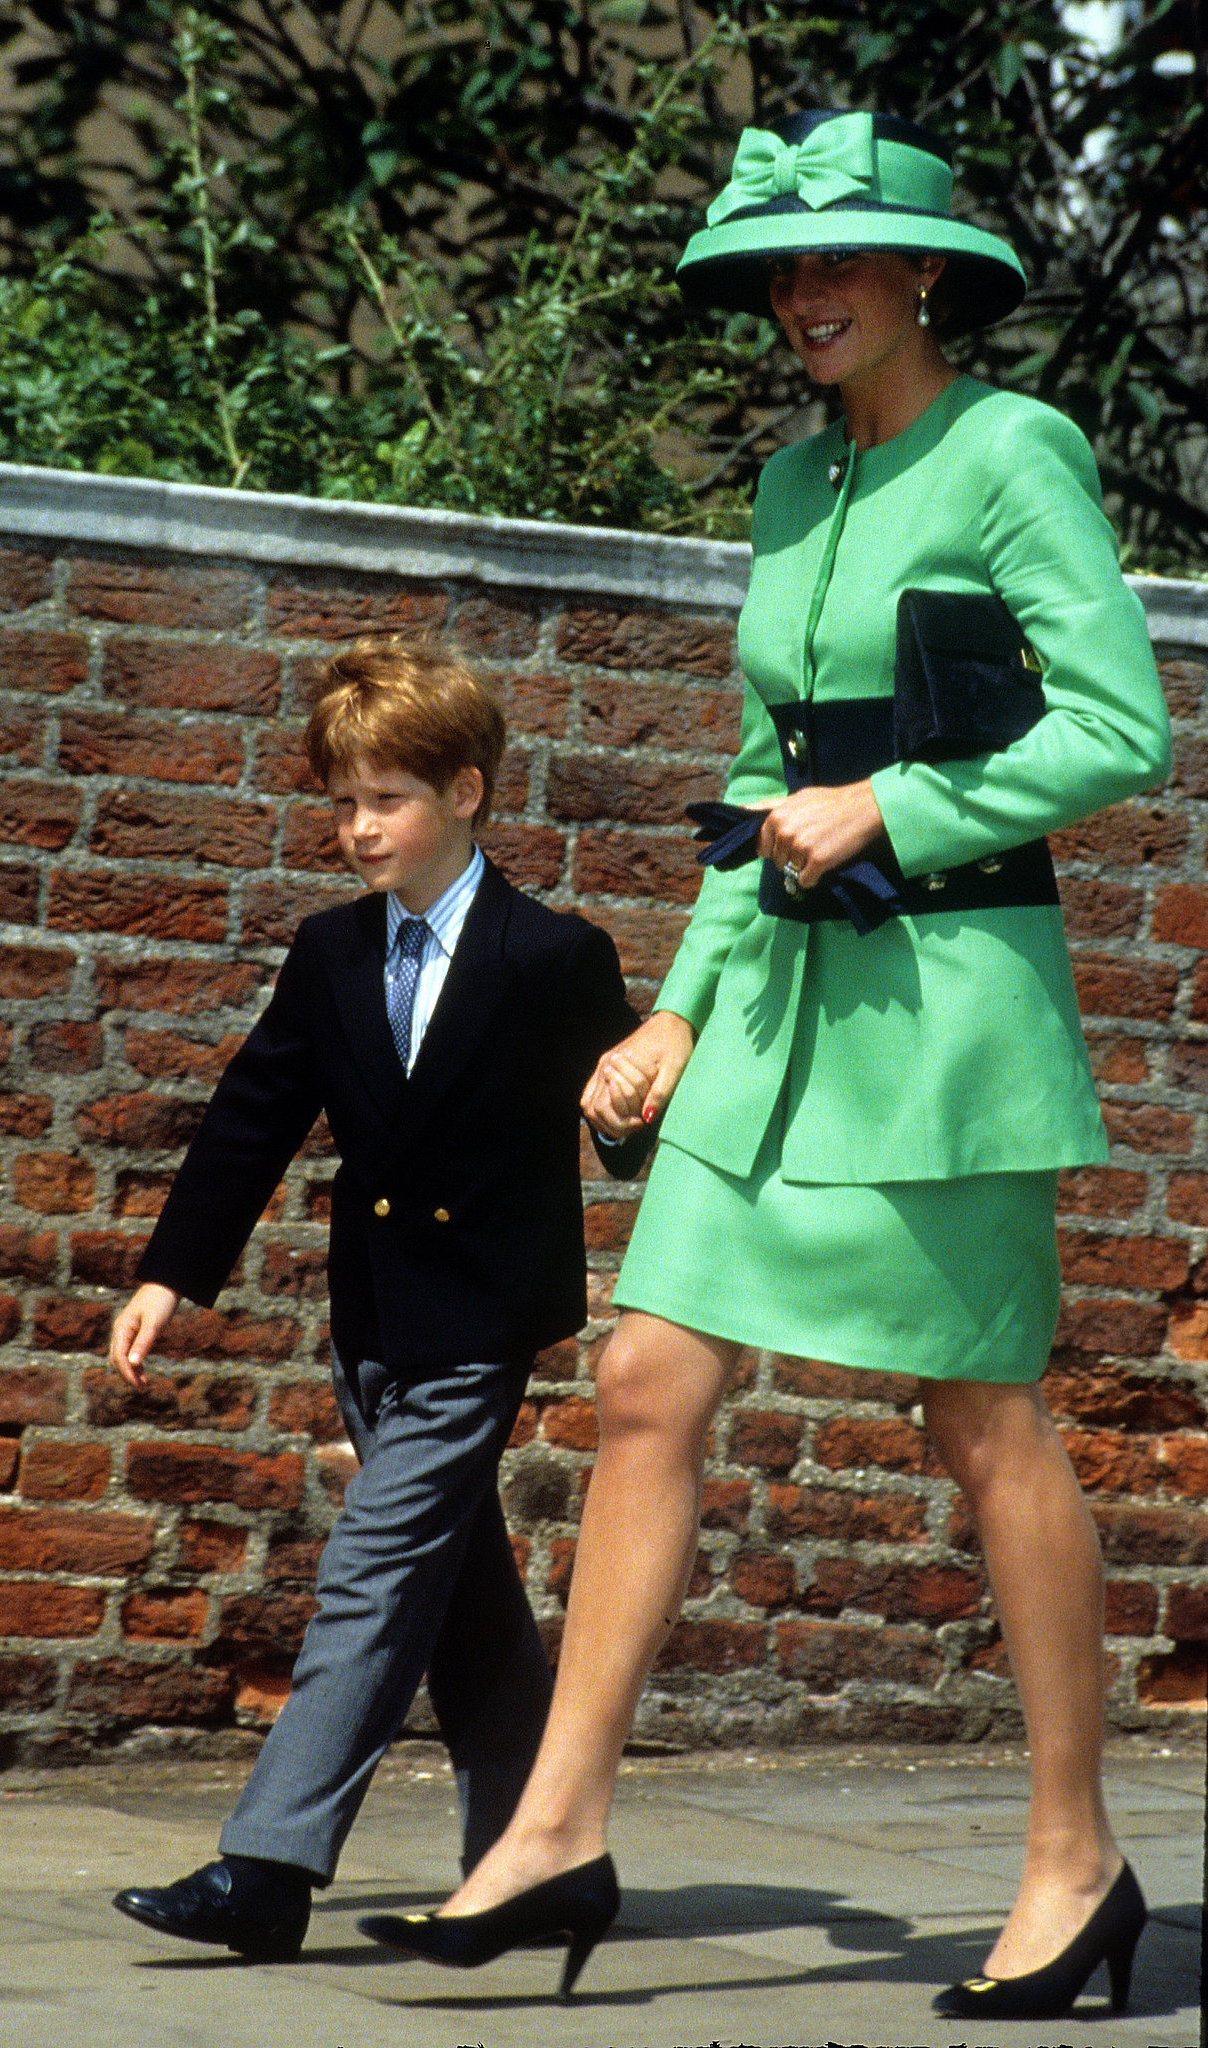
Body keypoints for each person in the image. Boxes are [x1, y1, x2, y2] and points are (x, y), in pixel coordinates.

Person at [357, 109, 1173, 2020]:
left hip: (949, 1020)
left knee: (981, 1424)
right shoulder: (795, 491)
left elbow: (1118, 724)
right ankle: (555, 1823)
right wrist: (674, 1010)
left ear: (922, 279)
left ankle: (1076, 1860)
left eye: (839, 264)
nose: (803, 298)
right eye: (781, 272)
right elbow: (753, 779)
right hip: (778, 1021)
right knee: (643, 1376)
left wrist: (896, 794)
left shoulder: (1011, 449)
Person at [106, 635, 649, 1964]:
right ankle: (551, 1859)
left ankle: (268, 1866)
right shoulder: (331, 952)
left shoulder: (549, 955)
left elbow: (628, 1115)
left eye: (385, 799)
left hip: (479, 1320)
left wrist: (623, 1106)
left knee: (370, 1575)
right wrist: (172, 1271)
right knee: (459, 1603)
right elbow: (252, 1115)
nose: (357, 829)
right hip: (373, 1318)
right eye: (341, 800)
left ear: (466, 791)